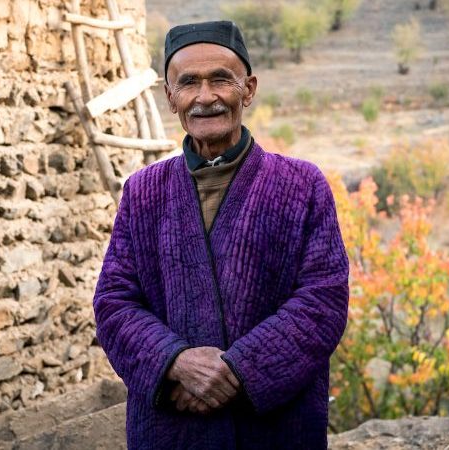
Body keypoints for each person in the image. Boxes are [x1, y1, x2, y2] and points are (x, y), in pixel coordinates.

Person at [92, 20, 349, 450]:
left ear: (248, 89)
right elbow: (115, 301)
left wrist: (237, 371)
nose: (205, 97)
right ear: (171, 98)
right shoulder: (142, 192)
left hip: (274, 427)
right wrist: (174, 363)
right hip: (172, 426)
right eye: (188, 83)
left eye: (221, 80)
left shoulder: (303, 184)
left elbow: (323, 300)